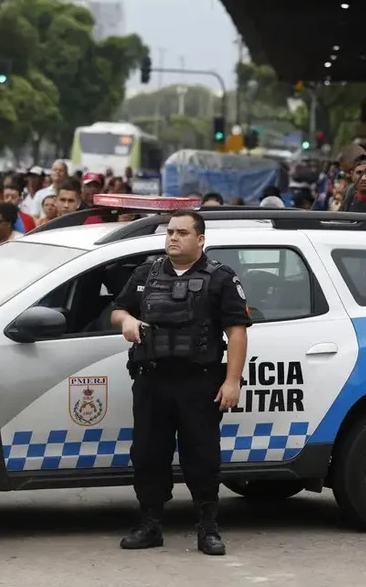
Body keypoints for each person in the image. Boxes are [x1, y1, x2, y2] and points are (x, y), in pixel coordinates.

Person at [109, 210, 251, 556]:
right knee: (148, 455)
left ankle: (208, 528)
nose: (173, 238)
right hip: (152, 380)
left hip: (198, 383)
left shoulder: (220, 278)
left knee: (202, 457)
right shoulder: (146, 273)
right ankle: (150, 525)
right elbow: (117, 310)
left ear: (200, 239)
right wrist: (126, 320)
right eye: (170, 232)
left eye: (182, 233)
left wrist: (232, 381)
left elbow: (236, 332)